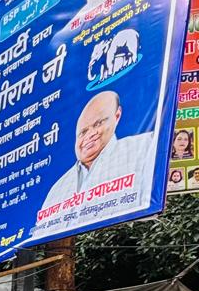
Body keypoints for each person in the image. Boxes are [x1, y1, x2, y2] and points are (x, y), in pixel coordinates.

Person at [36, 90, 154, 218]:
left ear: (117, 116)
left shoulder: (145, 147)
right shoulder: (56, 191)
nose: (90, 134)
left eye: (98, 123)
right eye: (83, 132)